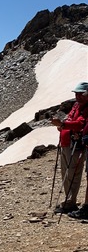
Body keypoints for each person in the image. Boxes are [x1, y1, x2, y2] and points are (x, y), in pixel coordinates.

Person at [51, 82, 88, 214]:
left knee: (72, 173)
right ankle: (68, 201)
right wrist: (62, 126)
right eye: (76, 94)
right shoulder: (76, 105)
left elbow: (80, 123)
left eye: (81, 94)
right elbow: (71, 119)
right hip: (66, 142)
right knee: (66, 173)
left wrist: (62, 124)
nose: (78, 96)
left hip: (75, 145)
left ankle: (70, 203)